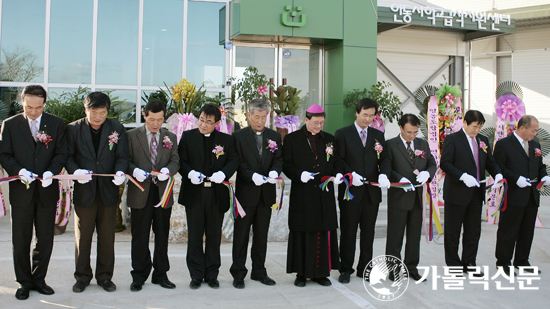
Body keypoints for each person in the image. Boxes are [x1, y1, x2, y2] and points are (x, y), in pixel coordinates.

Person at [0, 85, 67, 300]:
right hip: (21, 191)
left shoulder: (56, 124)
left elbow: (61, 153)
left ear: (44, 104)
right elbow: (4, 154)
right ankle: (23, 282)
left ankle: (39, 279)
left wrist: (51, 172)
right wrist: (18, 171)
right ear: (22, 102)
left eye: (38, 107)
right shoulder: (9, 125)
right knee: (21, 239)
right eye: (29, 107)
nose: (34, 111)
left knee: (45, 238)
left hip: (46, 191)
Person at [66, 92, 129, 293]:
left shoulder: (117, 129)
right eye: (94, 112)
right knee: (82, 238)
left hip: (108, 192)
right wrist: (75, 171)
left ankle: (105, 277)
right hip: (85, 192)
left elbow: (122, 156)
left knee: (107, 237)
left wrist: (121, 170)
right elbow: (67, 156)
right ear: (86, 110)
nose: (98, 117)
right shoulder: (73, 129)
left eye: (102, 112)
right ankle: (82, 277)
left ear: (107, 112)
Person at [178, 104, 239, 289]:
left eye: (209, 122)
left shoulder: (226, 140)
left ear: (217, 123)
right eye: (201, 120)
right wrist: (189, 173)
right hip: (194, 194)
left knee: (214, 236)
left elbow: (234, 160)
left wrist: (224, 174)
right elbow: (180, 161)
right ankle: (196, 275)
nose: (203, 125)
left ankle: (212, 274)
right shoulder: (188, 137)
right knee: (195, 236)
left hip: (216, 194)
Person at [283, 104, 343, 287]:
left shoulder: (329, 140)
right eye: (315, 122)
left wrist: (338, 174)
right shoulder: (292, 139)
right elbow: (286, 165)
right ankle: (301, 274)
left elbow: (337, 162)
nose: (319, 126)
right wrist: (299, 174)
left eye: (322, 123)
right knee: (303, 232)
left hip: (324, 195)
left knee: (322, 232)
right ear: (306, 120)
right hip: (303, 194)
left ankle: (321, 273)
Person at [334, 98, 391, 283]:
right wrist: (350, 175)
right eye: (365, 114)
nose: (368, 119)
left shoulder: (378, 135)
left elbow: (385, 159)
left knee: (368, 232)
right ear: (356, 113)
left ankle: (365, 268)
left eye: (372, 115)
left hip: (371, 193)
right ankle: (345, 269)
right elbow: (338, 160)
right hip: (351, 191)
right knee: (348, 231)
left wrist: (385, 174)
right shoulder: (342, 134)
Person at [440, 110, 502, 277]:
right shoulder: (453, 139)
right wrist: (462, 176)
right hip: (456, 193)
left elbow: (490, 161)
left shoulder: (483, 140)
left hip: (476, 193)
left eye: (480, 127)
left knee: (473, 230)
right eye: (474, 126)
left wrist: (497, 174)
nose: (477, 130)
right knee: (453, 231)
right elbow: (445, 163)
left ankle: (469, 263)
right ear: (465, 123)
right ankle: (453, 265)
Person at [126, 100, 179, 292]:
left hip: (162, 193)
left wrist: (168, 170)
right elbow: (125, 161)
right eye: (151, 119)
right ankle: (139, 275)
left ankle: (161, 274)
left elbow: (176, 160)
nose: (156, 124)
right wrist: (134, 171)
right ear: (144, 115)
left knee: (162, 234)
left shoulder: (170, 136)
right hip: (140, 191)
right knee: (139, 235)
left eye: (160, 119)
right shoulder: (131, 136)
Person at [230, 99, 283, 289]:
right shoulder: (238, 136)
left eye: (264, 117)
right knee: (241, 235)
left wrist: (275, 172)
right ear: (249, 114)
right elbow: (237, 161)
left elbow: (279, 159)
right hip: (246, 194)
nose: (260, 121)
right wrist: (251, 175)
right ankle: (238, 272)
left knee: (261, 236)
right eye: (256, 117)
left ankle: (259, 271)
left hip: (266, 195)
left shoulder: (274, 136)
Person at [493, 115, 549, 275]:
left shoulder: (535, 145)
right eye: (533, 130)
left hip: (531, 195)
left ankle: (522, 260)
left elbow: (540, 165)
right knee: (508, 229)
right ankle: (503, 262)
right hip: (514, 194)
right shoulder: (504, 144)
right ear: (522, 128)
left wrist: (544, 175)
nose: (535, 133)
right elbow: (498, 166)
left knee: (527, 230)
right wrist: (515, 178)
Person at [385, 114, 436, 282]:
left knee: (414, 236)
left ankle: (411, 268)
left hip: (417, 198)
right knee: (395, 235)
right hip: (399, 197)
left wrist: (427, 174)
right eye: (409, 132)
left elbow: (432, 163)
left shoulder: (423, 144)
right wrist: (399, 178)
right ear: (401, 128)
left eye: (415, 132)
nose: (412, 136)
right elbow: (387, 168)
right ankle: (393, 269)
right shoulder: (391, 145)